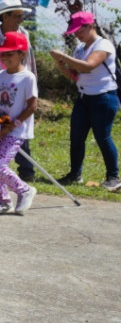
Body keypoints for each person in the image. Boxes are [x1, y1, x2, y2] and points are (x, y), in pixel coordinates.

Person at [49, 11, 121, 191]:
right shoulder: (79, 49)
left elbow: (89, 66)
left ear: (90, 26)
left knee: (103, 137)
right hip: (84, 98)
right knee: (77, 137)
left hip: (104, 98)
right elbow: (75, 76)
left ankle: (114, 176)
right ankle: (75, 174)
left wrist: (64, 57)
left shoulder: (103, 45)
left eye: (79, 31)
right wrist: (61, 63)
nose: (76, 35)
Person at [0, 0, 36, 182]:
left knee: (19, 127)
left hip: (20, 88)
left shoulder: (24, 35)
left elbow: (28, 62)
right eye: (17, 15)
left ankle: (26, 170)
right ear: (5, 17)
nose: (21, 19)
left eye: (22, 15)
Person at [0, 31, 38, 214]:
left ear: (22, 54)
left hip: (16, 131)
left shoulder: (28, 78)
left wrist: (12, 125)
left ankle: (25, 190)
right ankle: (3, 200)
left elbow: (32, 106)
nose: (5, 57)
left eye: (10, 53)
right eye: (3, 53)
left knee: (1, 165)